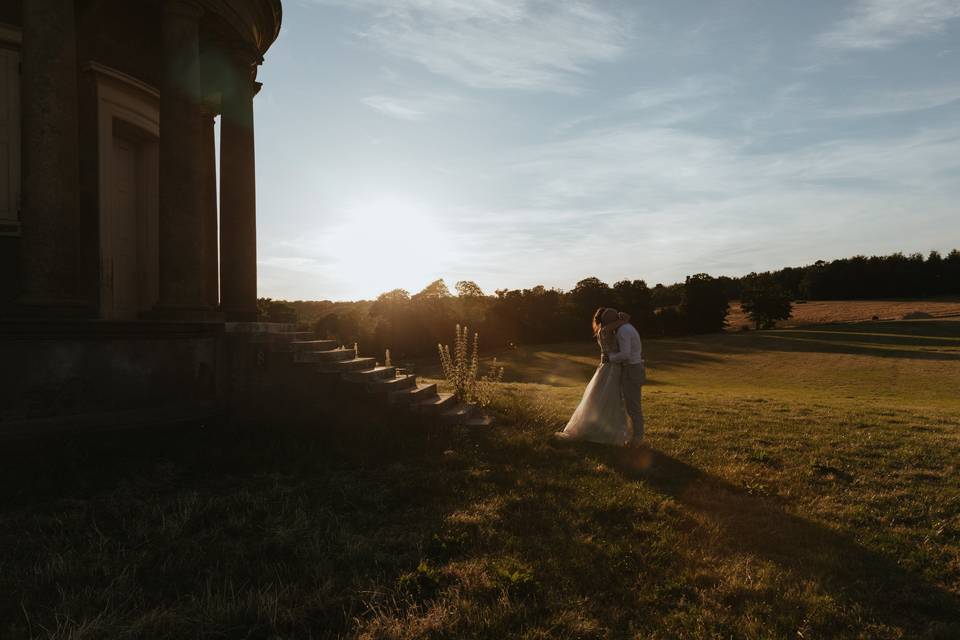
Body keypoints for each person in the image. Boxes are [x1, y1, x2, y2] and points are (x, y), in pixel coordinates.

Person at [554, 307, 633, 446]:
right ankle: (605, 432)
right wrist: (622, 318)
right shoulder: (605, 330)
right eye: (611, 317)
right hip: (610, 369)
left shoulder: (604, 330)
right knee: (610, 398)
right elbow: (625, 319)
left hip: (609, 367)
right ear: (606, 320)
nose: (615, 319)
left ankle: (612, 430)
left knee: (606, 398)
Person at [604, 307, 645, 447]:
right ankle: (635, 436)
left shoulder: (622, 331)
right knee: (632, 405)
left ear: (612, 323)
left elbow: (625, 354)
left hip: (631, 369)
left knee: (633, 406)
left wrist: (610, 357)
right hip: (635, 367)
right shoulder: (627, 327)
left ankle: (637, 439)